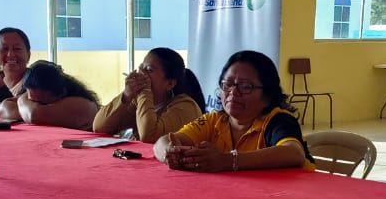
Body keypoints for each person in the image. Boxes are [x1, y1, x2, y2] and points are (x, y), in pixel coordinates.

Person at [153, 50, 314, 172]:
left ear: (268, 95)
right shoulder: (214, 120)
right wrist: (170, 153)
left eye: (246, 86)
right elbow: (163, 142)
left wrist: (227, 161)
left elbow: (294, 153)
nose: (233, 92)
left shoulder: (278, 120)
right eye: (228, 84)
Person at [91, 48, 203, 143]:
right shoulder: (137, 101)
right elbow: (99, 127)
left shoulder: (186, 107)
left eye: (149, 70)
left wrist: (145, 91)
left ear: (170, 84)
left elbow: (149, 136)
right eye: (141, 68)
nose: (141, 73)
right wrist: (126, 95)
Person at [11, 60, 99, 129]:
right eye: (32, 102)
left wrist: (21, 100)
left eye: (41, 103)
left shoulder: (83, 105)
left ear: (61, 94)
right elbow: (5, 106)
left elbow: (33, 115)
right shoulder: (36, 95)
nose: (34, 104)